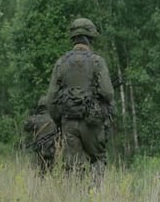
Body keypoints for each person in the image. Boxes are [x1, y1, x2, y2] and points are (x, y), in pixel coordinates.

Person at [45, 17, 114, 187]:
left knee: (73, 166)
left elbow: (50, 99)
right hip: (92, 122)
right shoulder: (97, 61)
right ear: (90, 38)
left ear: (73, 38)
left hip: (69, 121)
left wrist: (59, 121)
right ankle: (95, 200)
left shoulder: (61, 63)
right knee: (97, 160)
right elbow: (108, 93)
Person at [24, 96, 57, 178]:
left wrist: (32, 115)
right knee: (53, 174)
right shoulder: (56, 118)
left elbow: (26, 127)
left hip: (40, 151)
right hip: (54, 150)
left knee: (38, 175)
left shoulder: (35, 119)